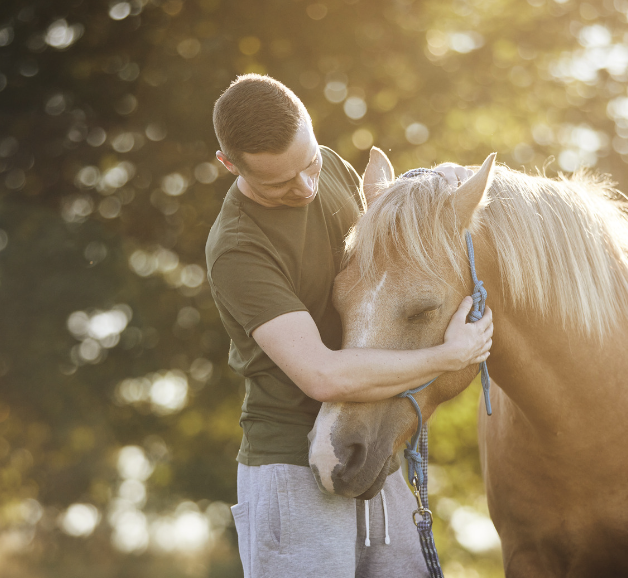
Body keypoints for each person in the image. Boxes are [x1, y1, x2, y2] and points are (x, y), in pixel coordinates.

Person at [205, 74, 494, 578]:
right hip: (292, 470)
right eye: (279, 183)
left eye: (310, 162)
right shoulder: (238, 248)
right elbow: (323, 376)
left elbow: (391, 265)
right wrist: (449, 356)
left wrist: (438, 185)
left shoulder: (332, 167)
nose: (307, 186)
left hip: (371, 447)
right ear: (229, 166)